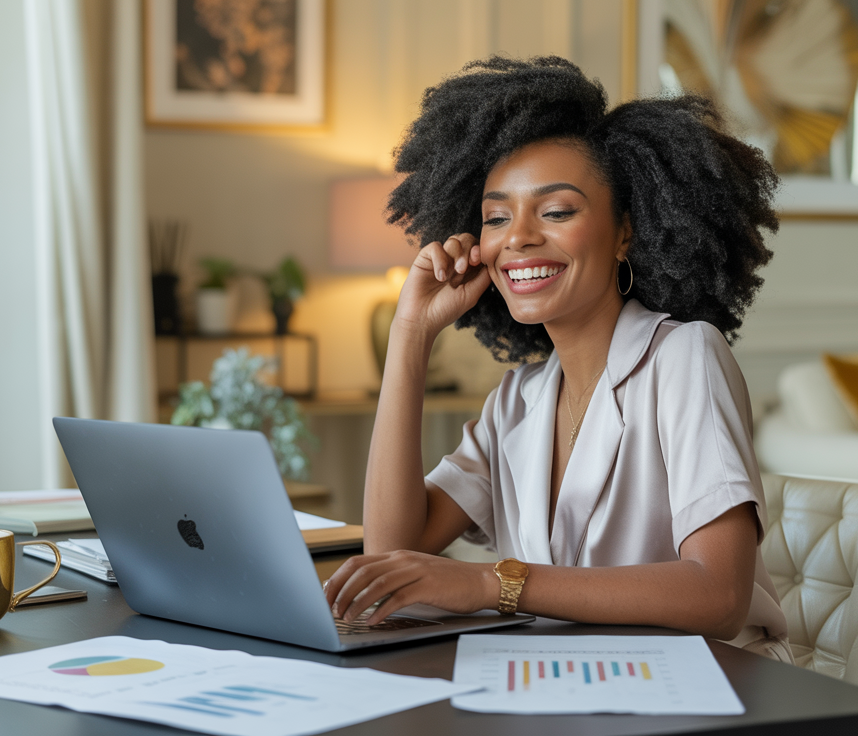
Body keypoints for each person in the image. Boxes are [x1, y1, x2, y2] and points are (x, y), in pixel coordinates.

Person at [323, 56, 788, 660]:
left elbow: (718, 595)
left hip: (712, 688)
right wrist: (410, 333)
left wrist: (493, 583)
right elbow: (392, 552)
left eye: (557, 210)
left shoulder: (685, 357)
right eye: (496, 217)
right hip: (566, 682)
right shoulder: (519, 400)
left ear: (626, 232)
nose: (517, 237)